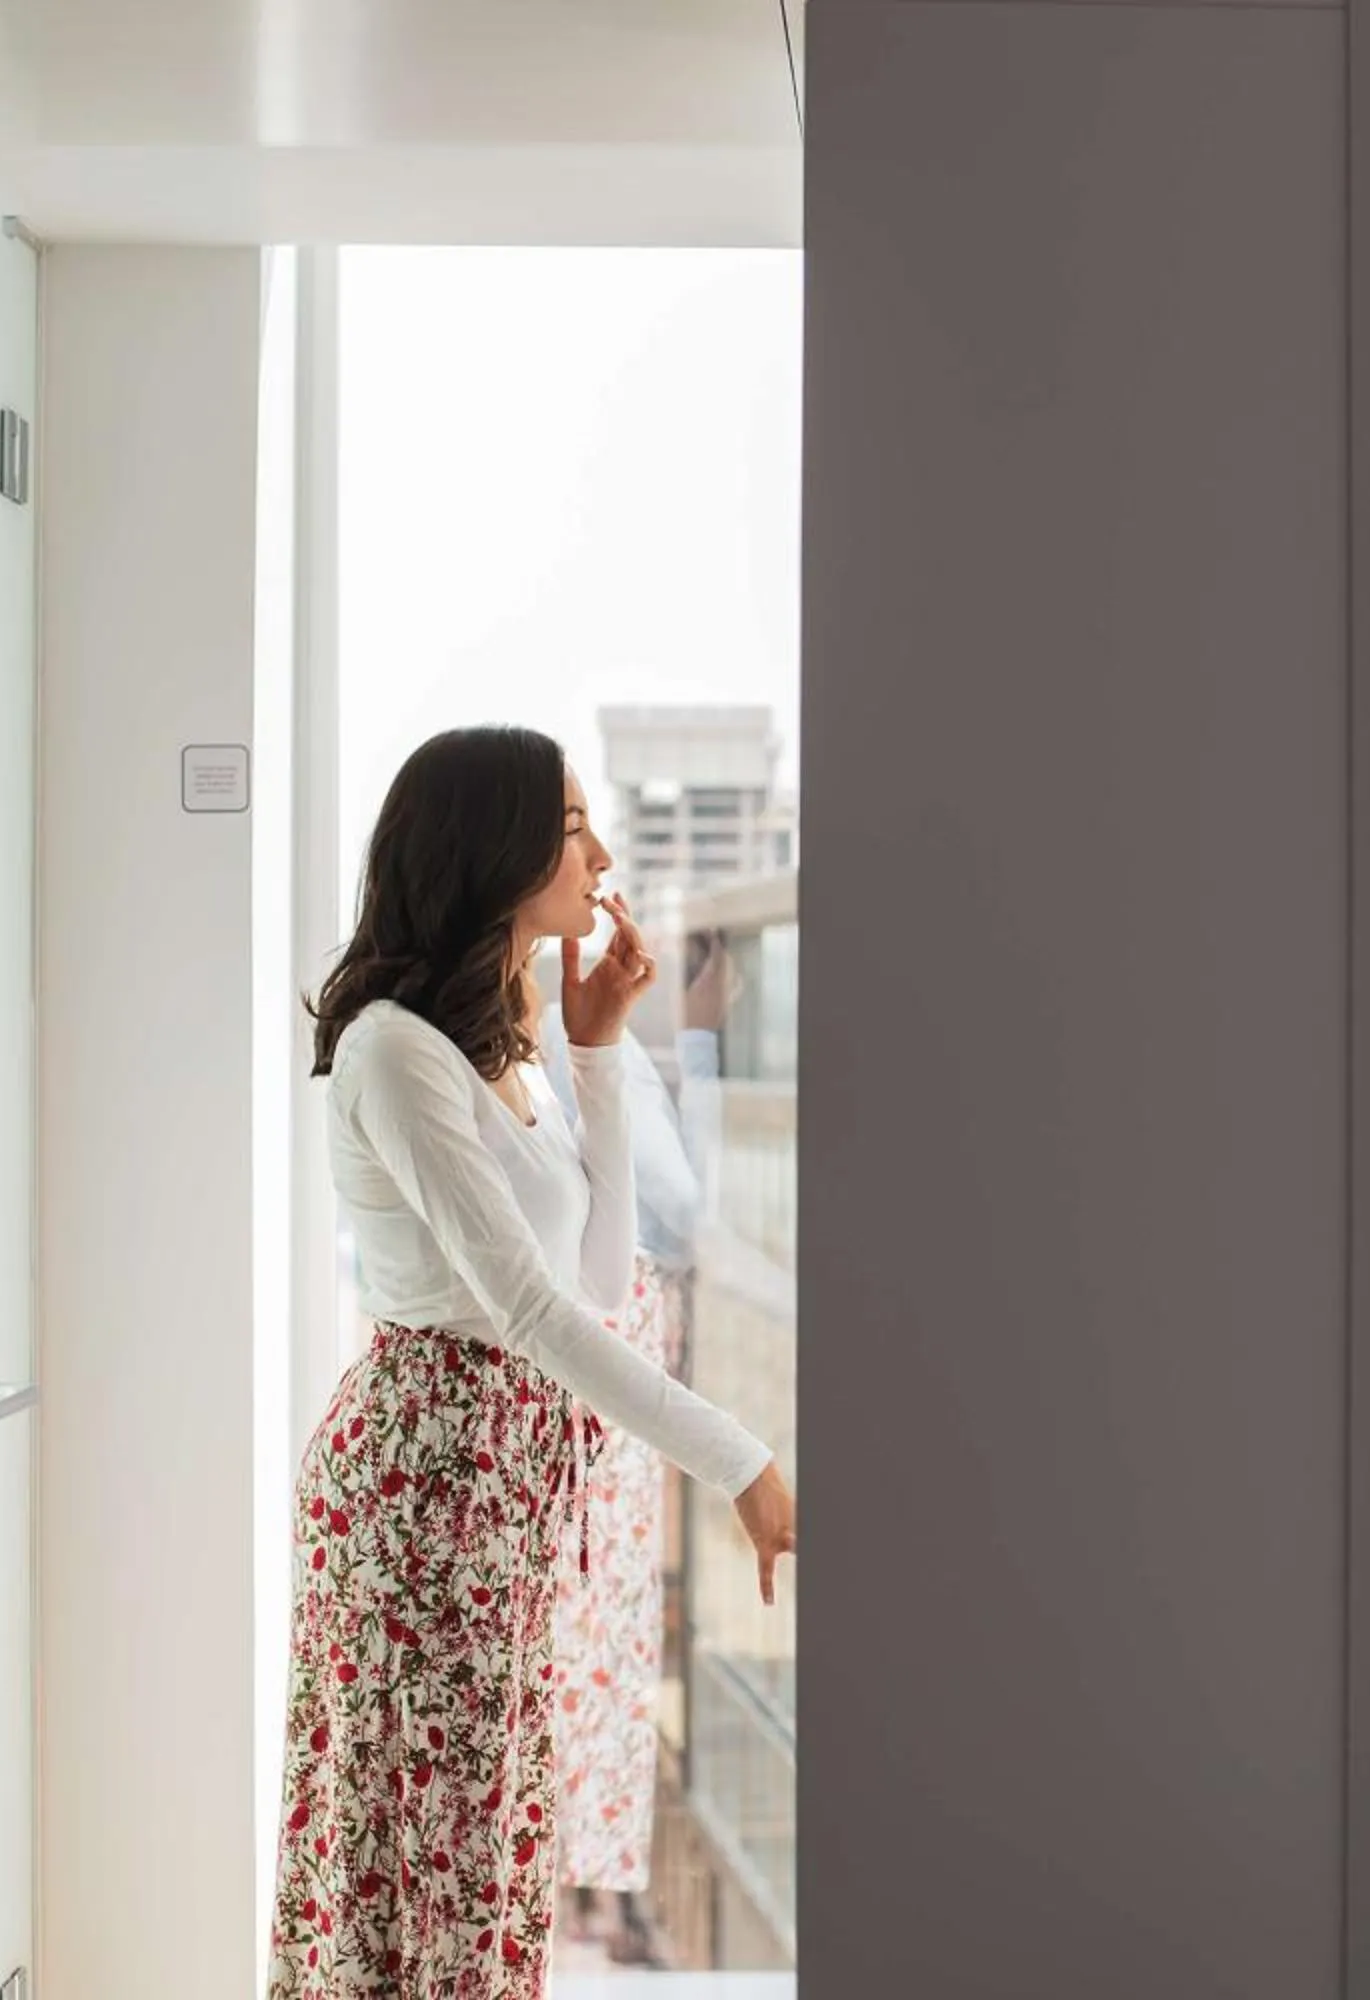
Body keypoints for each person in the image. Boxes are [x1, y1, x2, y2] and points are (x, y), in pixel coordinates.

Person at [273, 726, 796, 1997]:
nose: (603, 855)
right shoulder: (398, 1051)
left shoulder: (502, 1050)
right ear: (493, 849)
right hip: (420, 1485)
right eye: (573, 827)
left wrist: (599, 1046)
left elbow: (598, 1284)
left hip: (497, 1489)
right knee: (425, 1857)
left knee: (484, 1849)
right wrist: (738, 1460)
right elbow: (532, 1314)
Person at [530, 935, 734, 1965]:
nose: (604, 869)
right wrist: (693, 1040)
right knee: (586, 1626)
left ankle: (573, 1896)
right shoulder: (564, 1037)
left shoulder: (563, 1029)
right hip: (604, 1355)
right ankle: (573, 1896)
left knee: (584, 1632)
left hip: (601, 1351)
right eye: (573, 837)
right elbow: (689, 1215)